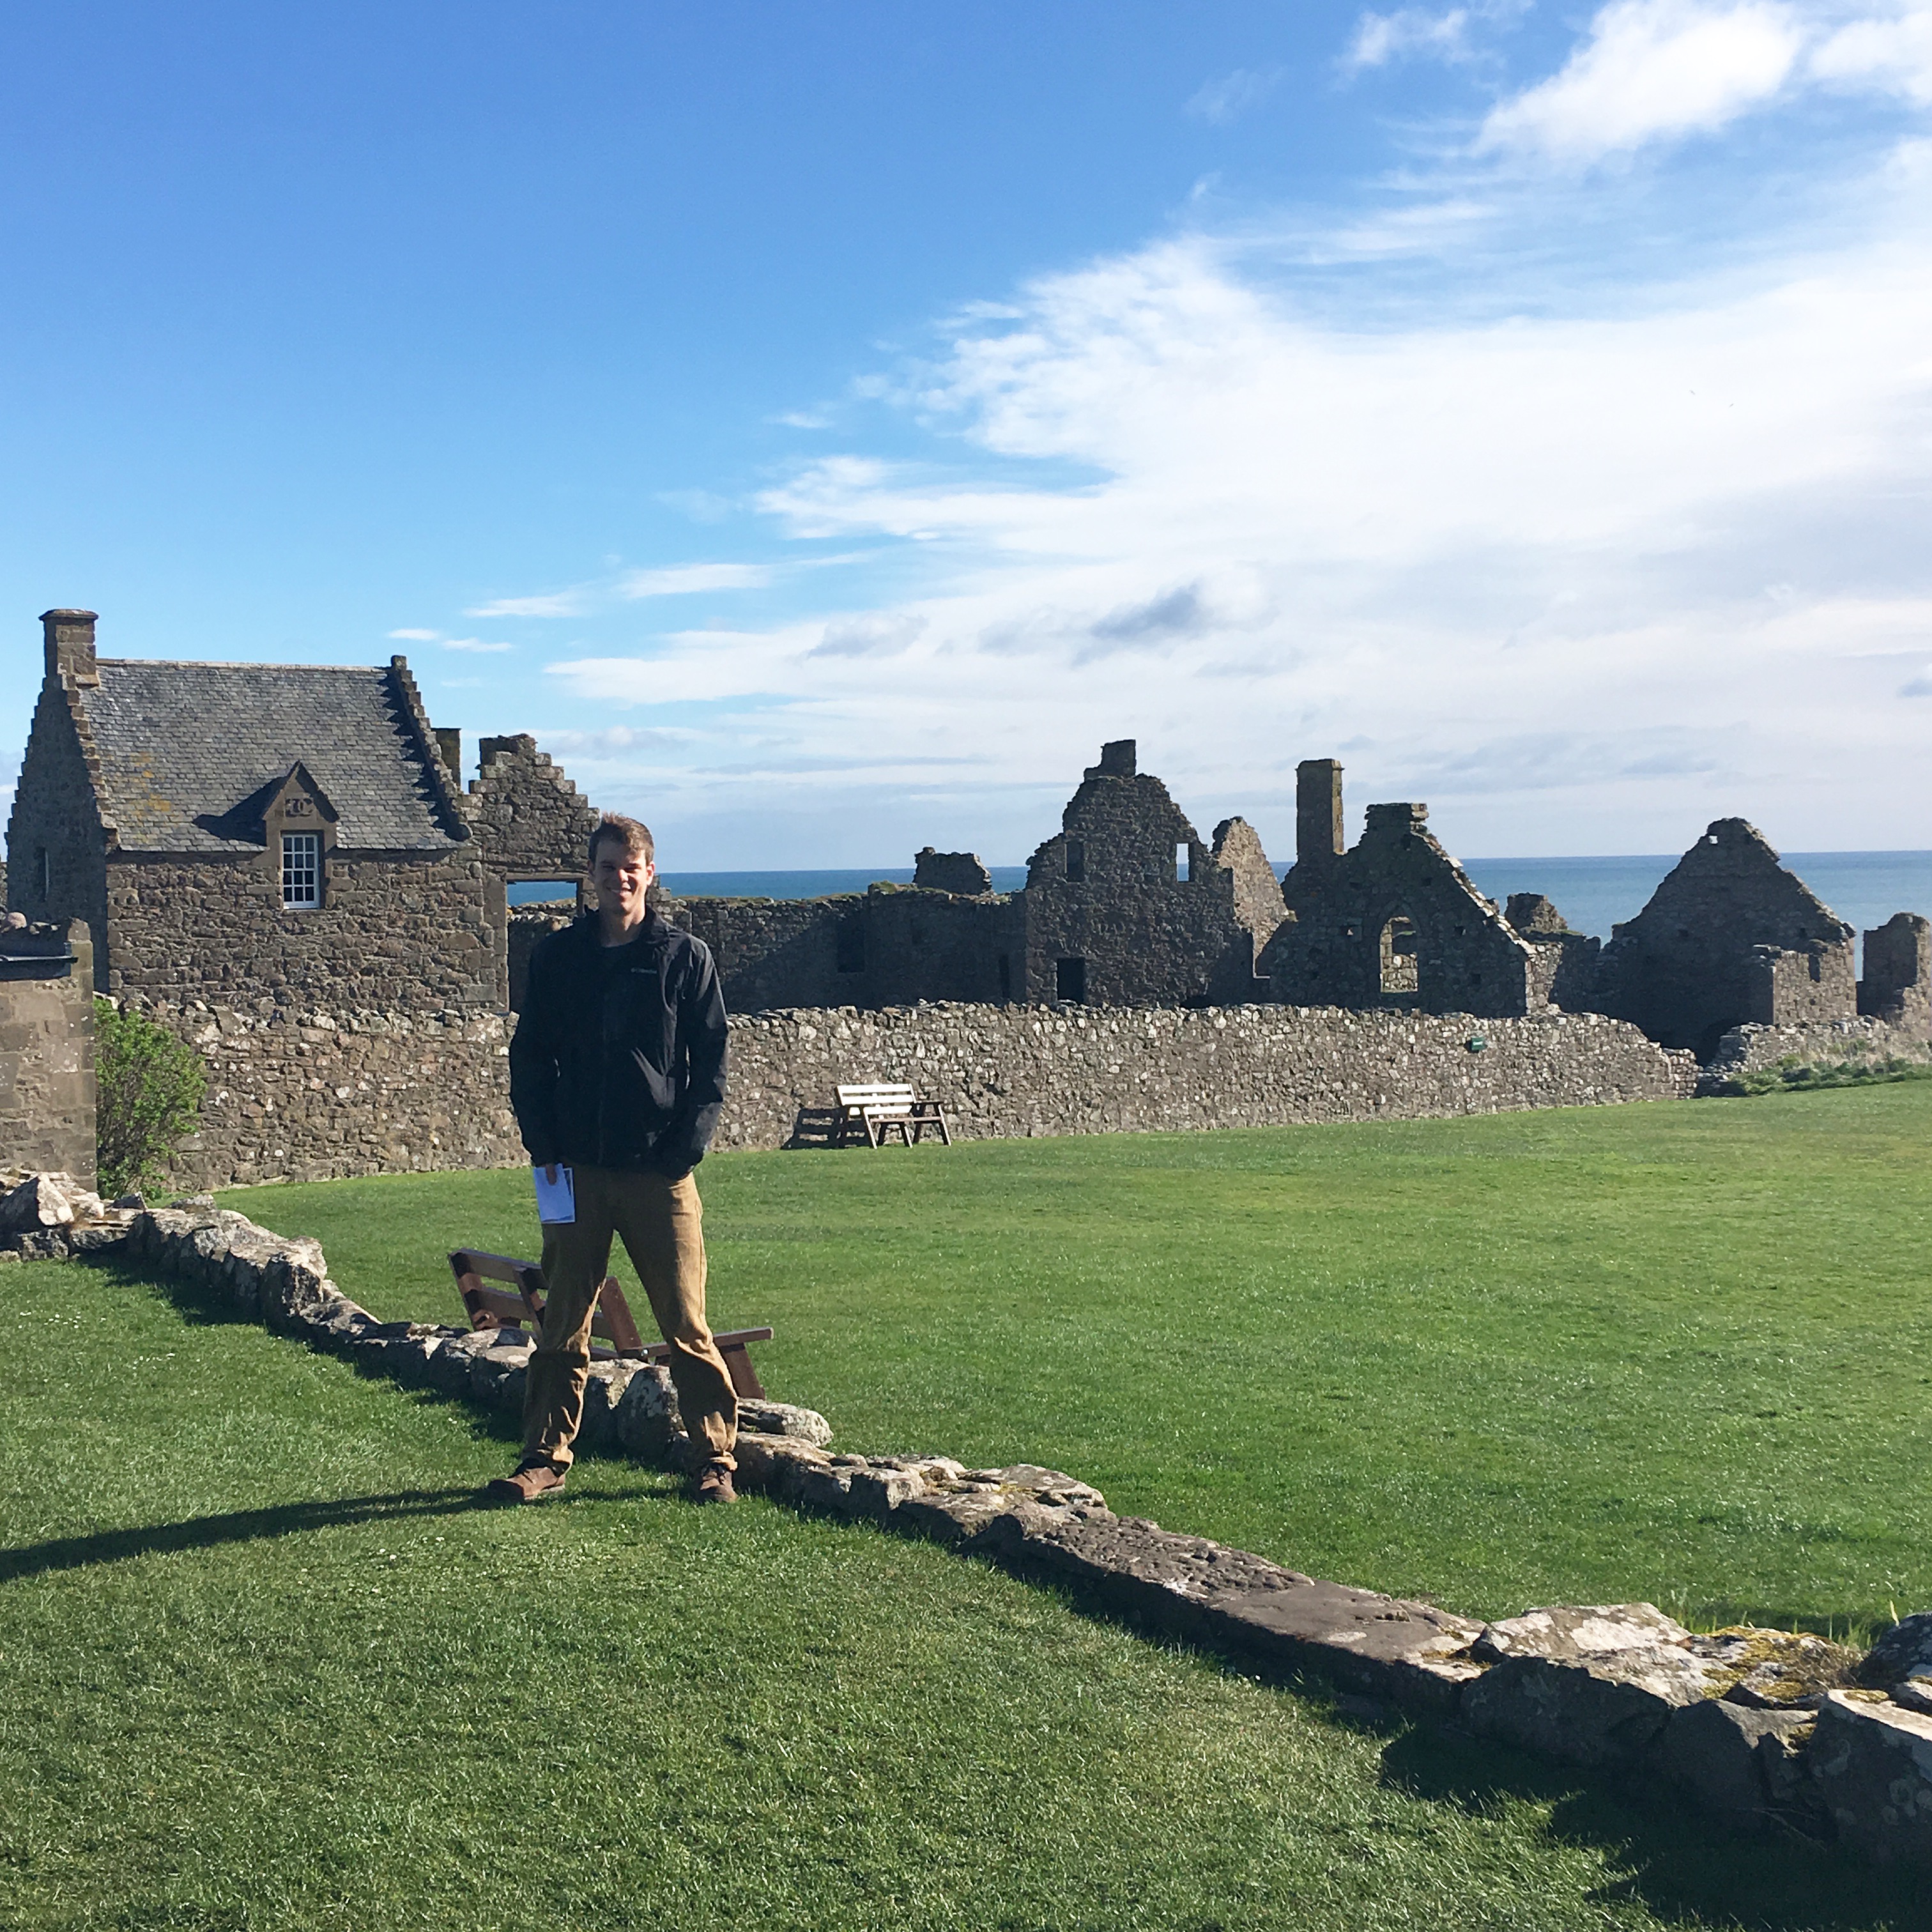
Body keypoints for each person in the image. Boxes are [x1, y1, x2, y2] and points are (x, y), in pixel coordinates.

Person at [487, 813, 737, 1505]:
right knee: (563, 1323)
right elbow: (531, 1056)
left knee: (685, 1323)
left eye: (631, 868)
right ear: (590, 877)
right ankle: (543, 1457)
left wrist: (682, 1151)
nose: (619, 879)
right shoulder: (558, 959)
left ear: (649, 875)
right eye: (607, 868)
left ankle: (715, 1459)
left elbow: (710, 1064)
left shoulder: (685, 959)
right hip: (576, 1172)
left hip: (659, 1174)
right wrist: (545, 1147)